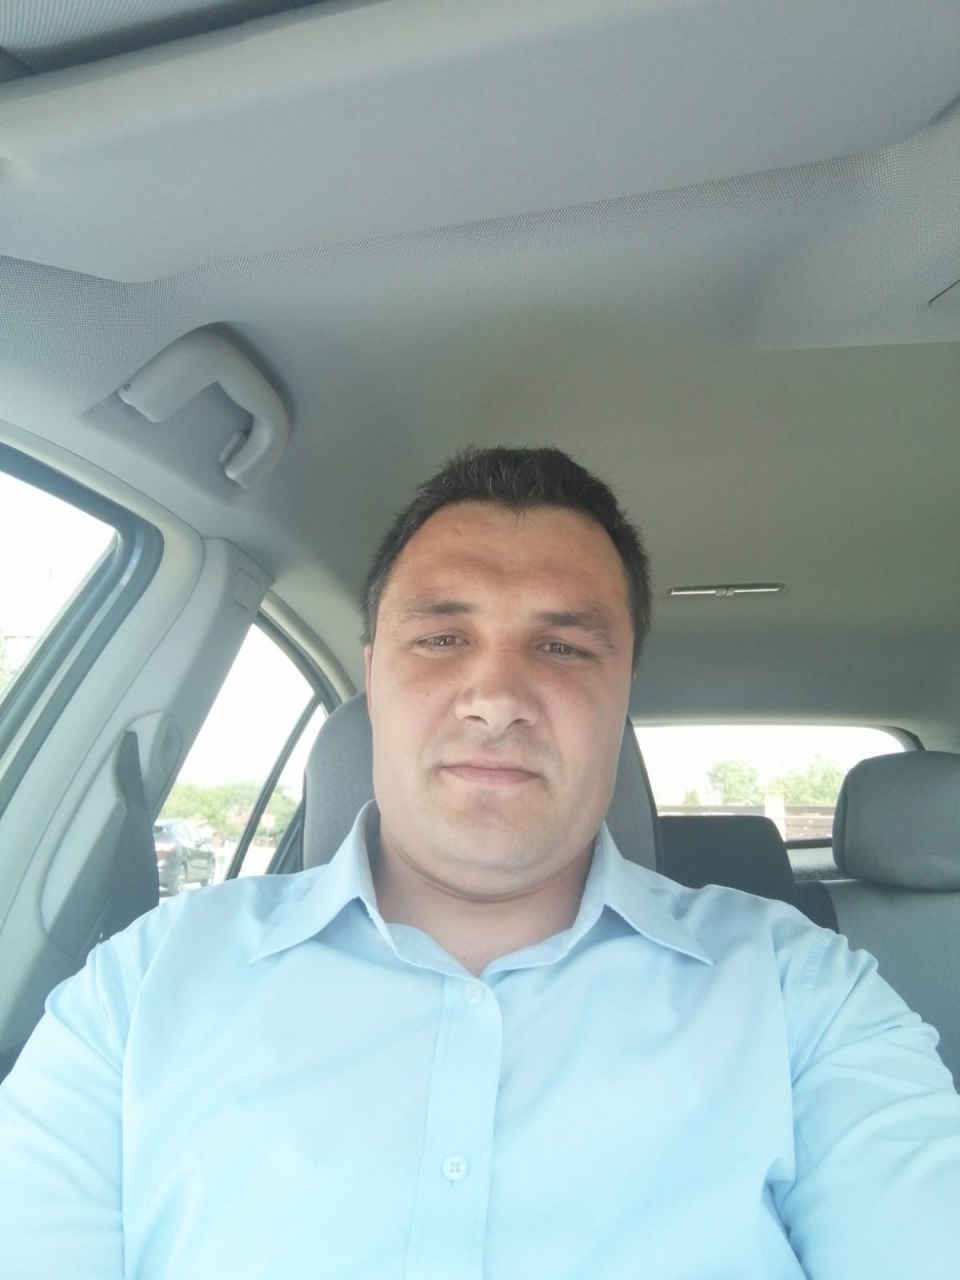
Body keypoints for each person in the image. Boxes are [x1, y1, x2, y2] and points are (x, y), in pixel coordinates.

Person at [1, 446, 958, 1278]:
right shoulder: (141, 989)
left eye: (564, 646)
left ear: (624, 688)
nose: (496, 696)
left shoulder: (804, 998)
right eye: (441, 637)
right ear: (372, 673)